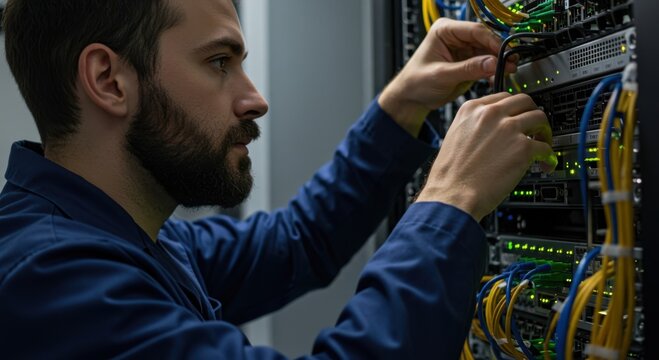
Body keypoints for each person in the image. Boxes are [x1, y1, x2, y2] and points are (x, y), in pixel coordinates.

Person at [0, 0, 555, 358]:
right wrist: (449, 205)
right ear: (109, 81)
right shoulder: (52, 280)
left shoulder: (132, 236)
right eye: (220, 62)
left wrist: (400, 107)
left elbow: (297, 242)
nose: (255, 99)